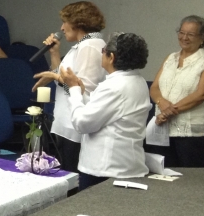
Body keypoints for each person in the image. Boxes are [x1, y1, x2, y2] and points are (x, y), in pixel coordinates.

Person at [61, 33, 151, 190]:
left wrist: (74, 90)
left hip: (105, 170)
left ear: (112, 57)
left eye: (103, 50)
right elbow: (106, 112)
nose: (101, 53)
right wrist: (83, 94)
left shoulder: (114, 86)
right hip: (125, 165)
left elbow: (82, 123)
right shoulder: (138, 81)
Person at [31, 1, 106, 173]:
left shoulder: (90, 46)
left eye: (65, 22)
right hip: (66, 121)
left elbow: (84, 88)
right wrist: (55, 53)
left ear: (78, 23)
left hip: (76, 125)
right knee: (65, 170)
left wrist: (54, 76)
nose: (62, 28)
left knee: (72, 175)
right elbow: (65, 76)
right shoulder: (83, 45)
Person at [149, 15, 204, 167]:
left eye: (191, 34)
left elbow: (202, 94)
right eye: (181, 32)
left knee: (191, 182)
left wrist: (168, 111)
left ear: (203, 37)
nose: (184, 37)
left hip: (190, 134)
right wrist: (161, 104)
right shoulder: (170, 58)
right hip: (162, 128)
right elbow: (155, 87)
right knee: (163, 177)